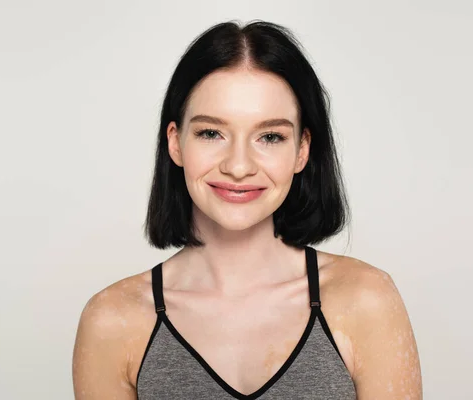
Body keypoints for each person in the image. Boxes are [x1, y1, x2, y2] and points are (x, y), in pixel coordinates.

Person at [72, 20, 422, 399]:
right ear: (175, 142)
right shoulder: (111, 320)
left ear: (302, 150)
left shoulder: (366, 300)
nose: (238, 166)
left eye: (270, 137)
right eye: (211, 133)